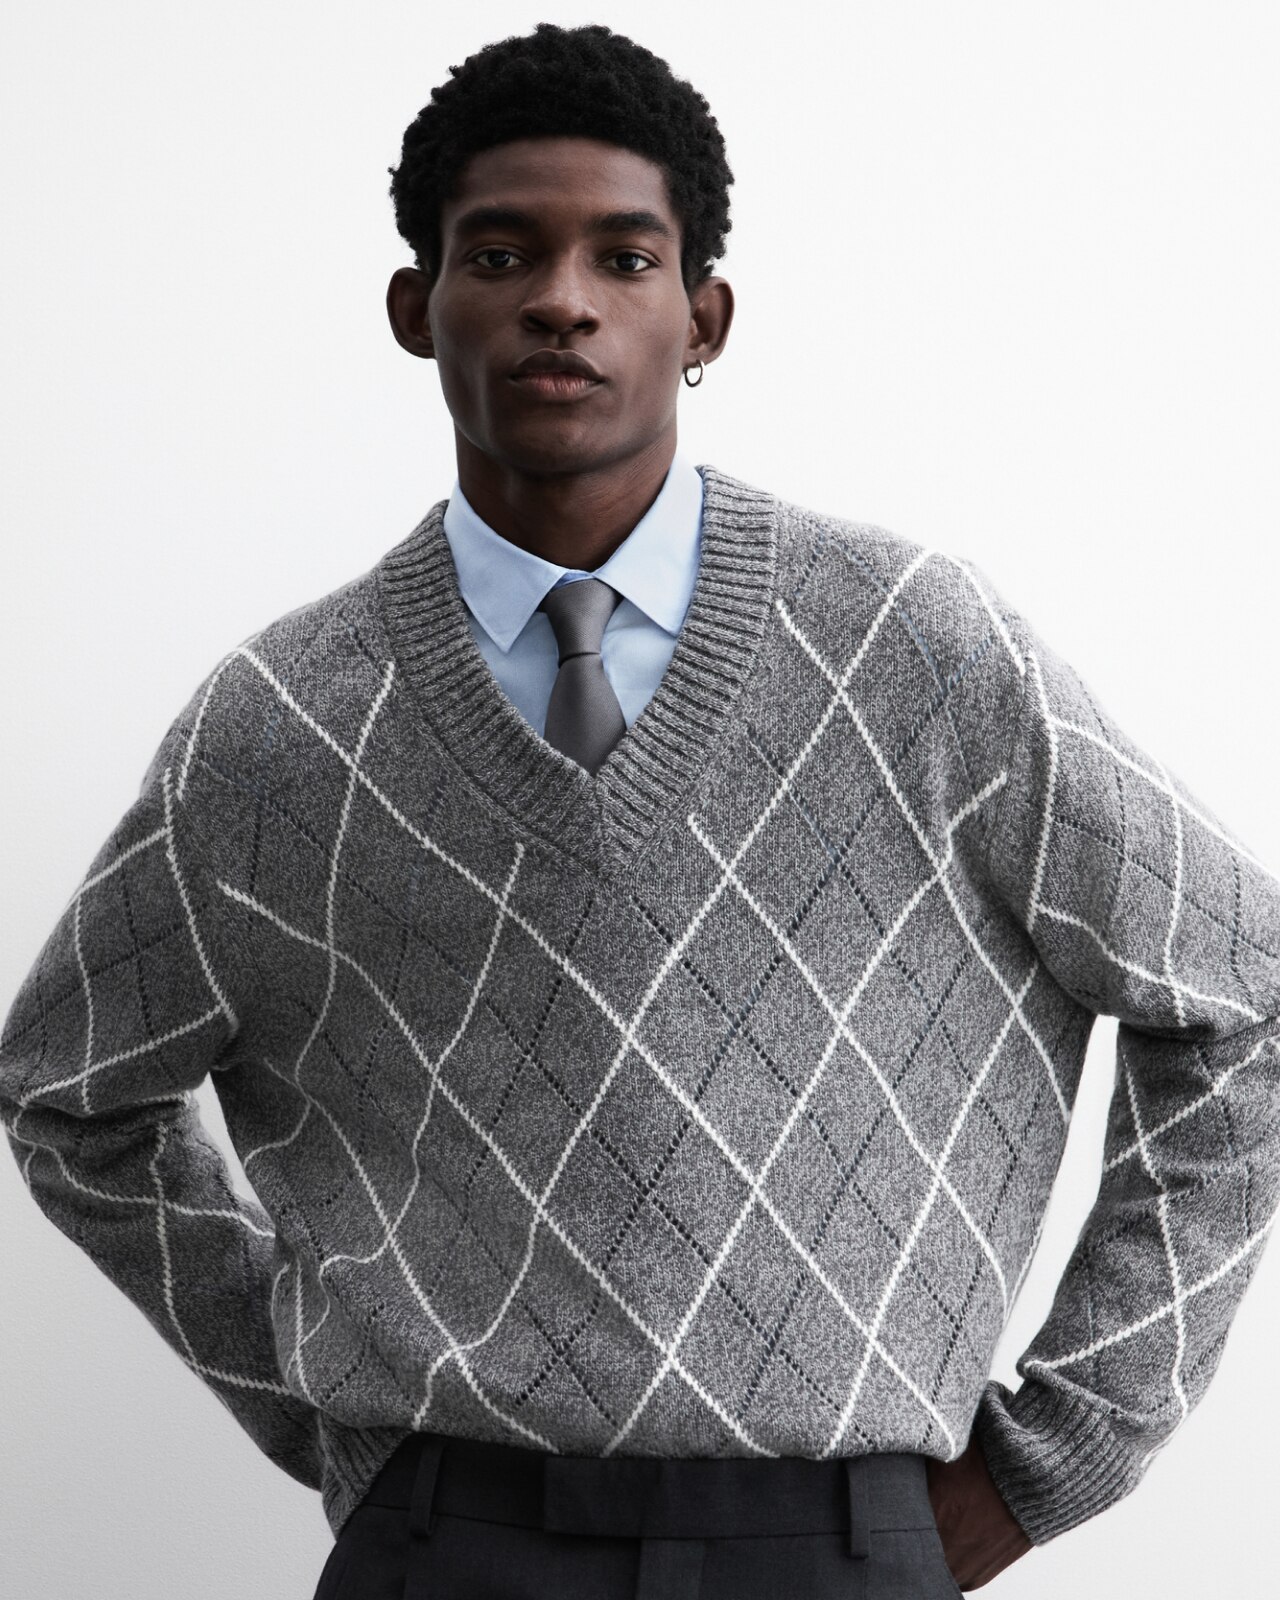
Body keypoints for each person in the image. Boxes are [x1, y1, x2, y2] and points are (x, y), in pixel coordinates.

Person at [2, 20, 1277, 1599]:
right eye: (500, 255)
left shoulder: (918, 651)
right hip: (447, 1544)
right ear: (415, 306)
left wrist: (1055, 1454)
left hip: (842, 1543)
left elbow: (1245, 994)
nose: (562, 299)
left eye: (624, 257)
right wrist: (328, 1413)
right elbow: (70, 1092)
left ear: (703, 317)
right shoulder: (280, 727)